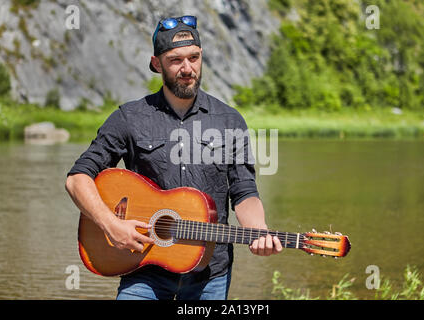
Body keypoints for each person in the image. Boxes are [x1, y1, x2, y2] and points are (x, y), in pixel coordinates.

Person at [65, 15, 282, 300]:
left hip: (210, 275)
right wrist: (111, 225)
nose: (187, 69)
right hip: (143, 269)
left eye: (194, 58)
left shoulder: (230, 120)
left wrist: (258, 230)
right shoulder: (128, 118)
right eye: (175, 60)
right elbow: (77, 179)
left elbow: (244, 191)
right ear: (156, 64)